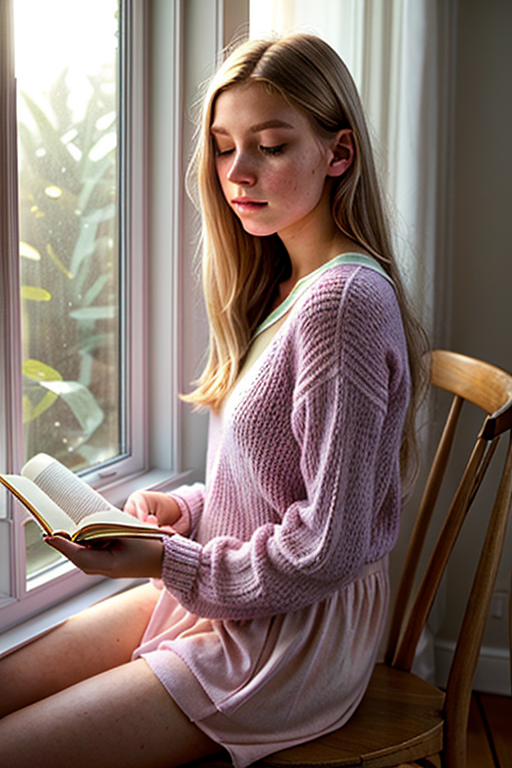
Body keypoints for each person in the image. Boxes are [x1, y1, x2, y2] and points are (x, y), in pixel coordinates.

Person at [0, 33, 427, 768]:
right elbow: (277, 482)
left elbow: (329, 544)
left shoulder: (343, 305)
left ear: (339, 153)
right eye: (225, 148)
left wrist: (170, 564)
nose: (239, 173)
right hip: (241, 594)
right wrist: (188, 513)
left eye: (270, 146)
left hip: (292, 639)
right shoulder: (285, 288)